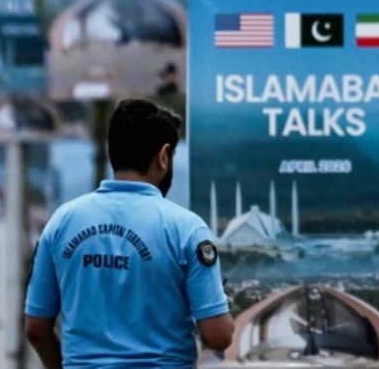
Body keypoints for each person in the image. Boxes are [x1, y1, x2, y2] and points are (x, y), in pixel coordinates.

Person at [25, 99, 233, 367]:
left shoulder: (61, 223)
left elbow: (36, 328)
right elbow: (218, 336)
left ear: (113, 151)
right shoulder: (188, 229)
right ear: (163, 156)